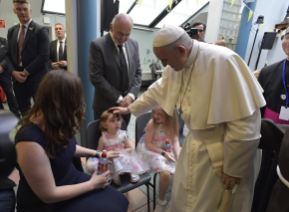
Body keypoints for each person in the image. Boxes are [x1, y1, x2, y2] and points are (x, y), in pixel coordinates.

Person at [111, 25, 266, 212]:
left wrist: (235, 167)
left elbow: (246, 122)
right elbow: (157, 91)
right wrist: (131, 108)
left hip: (224, 151)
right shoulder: (177, 64)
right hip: (195, 143)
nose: (164, 65)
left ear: (181, 50)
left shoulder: (223, 61)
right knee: (186, 197)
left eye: (165, 60)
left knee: (215, 204)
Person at [15, 70, 129, 212]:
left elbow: (70, 148)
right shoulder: (29, 141)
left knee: (119, 201)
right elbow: (48, 195)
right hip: (48, 202)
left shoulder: (53, 120)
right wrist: (92, 184)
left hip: (70, 179)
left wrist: (99, 153)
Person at [253, 26, 289, 211]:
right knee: (262, 183)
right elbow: (257, 108)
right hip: (268, 139)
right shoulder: (267, 72)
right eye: (288, 36)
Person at [89, 13, 142, 126]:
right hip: (106, 107)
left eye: (127, 34)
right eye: (120, 33)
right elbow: (96, 77)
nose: (123, 38)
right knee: (105, 141)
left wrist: (130, 96)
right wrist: (119, 99)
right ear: (111, 27)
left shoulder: (134, 44)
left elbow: (137, 73)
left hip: (128, 105)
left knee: (123, 137)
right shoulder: (98, 45)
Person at [6, 0, 50, 116]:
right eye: (19, 9)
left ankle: (42, 133)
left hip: (36, 78)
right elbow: (8, 55)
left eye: (25, 9)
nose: (22, 12)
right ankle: (28, 132)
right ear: (14, 11)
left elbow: (44, 55)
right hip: (17, 79)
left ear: (30, 10)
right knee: (24, 110)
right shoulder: (11, 31)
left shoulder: (40, 30)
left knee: (42, 111)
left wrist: (26, 71)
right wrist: (12, 72)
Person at [86, 110, 148, 185]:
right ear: (105, 125)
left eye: (118, 120)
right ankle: (113, 175)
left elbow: (130, 149)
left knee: (123, 157)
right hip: (109, 160)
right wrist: (106, 153)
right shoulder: (103, 138)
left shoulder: (123, 135)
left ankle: (131, 172)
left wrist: (122, 151)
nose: (117, 123)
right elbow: (98, 152)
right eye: (112, 121)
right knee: (90, 166)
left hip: (122, 157)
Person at [136, 106, 180, 212]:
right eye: (154, 112)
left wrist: (178, 155)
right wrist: (164, 153)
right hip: (151, 150)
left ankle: (180, 197)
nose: (155, 116)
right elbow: (148, 144)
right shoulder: (152, 124)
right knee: (165, 174)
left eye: (160, 113)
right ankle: (161, 201)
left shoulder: (172, 125)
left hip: (165, 148)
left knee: (184, 164)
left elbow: (175, 141)